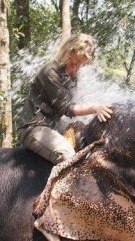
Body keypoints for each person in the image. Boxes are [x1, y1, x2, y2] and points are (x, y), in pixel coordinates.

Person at [18, 33, 113, 164]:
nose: (76, 69)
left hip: (53, 128)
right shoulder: (50, 73)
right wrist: (95, 108)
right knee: (67, 155)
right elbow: (68, 108)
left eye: (80, 65)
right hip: (34, 128)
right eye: (74, 63)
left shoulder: (71, 74)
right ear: (66, 54)